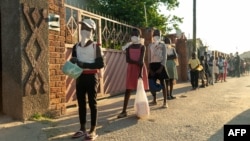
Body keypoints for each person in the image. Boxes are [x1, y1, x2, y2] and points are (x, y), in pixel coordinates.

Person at [70, 19, 104, 140]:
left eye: (87, 28)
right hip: (80, 77)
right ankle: (82, 128)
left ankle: (93, 129)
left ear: (92, 31)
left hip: (91, 77)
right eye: (82, 27)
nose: (84, 30)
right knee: (81, 103)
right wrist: (72, 62)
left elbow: (100, 64)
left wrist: (83, 64)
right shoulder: (76, 46)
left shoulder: (96, 47)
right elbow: (73, 60)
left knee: (92, 102)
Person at [117, 28, 149, 118]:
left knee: (140, 89)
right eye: (132, 35)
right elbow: (128, 60)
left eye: (136, 35)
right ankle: (124, 111)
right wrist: (137, 62)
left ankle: (142, 109)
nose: (134, 36)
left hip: (140, 69)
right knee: (128, 89)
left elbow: (141, 61)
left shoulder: (142, 47)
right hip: (131, 69)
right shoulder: (129, 47)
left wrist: (140, 73)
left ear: (140, 36)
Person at [148, 29, 168, 108]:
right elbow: (149, 57)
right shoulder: (150, 45)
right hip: (152, 65)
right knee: (151, 83)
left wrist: (161, 67)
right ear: (152, 36)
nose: (156, 35)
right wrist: (150, 68)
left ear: (160, 36)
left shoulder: (163, 45)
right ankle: (154, 99)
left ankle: (165, 102)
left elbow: (165, 57)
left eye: (158, 34)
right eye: (155, 34)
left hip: (160, 65)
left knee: (163, 83)